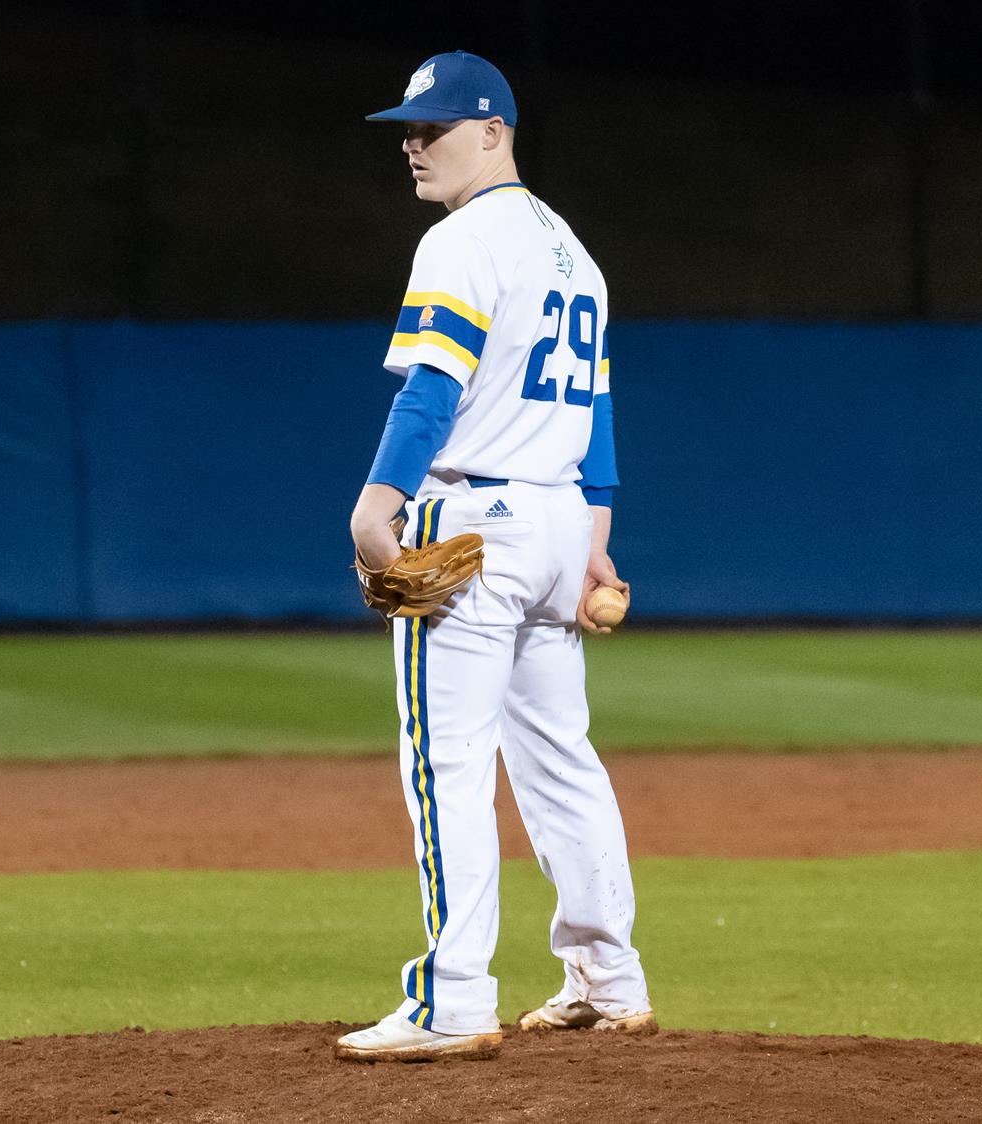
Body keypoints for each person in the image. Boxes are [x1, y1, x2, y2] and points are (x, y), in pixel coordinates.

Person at [333, 51, 654, 1063]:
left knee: (449, 763)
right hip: (556, 519)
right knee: (561, 757)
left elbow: (431, 389)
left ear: (492, 131)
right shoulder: (572, 251)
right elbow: (597, 410)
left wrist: (376, 508)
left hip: (474, 521)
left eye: (432, 127)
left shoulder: (460, 240)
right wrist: (594, 537)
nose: (412, 144)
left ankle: (453, 998)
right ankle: (608, 978)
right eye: (407, 129)